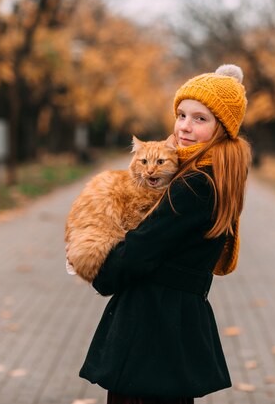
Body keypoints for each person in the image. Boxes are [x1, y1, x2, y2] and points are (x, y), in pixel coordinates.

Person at [76, 64, 252, 403]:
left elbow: (140, 250)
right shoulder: (214, 173)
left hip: (152, 332)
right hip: (173, 328)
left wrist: (95, 266)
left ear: (222, 127)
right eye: (182, 114)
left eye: (200, 119)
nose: (185, 127)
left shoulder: (196, 183)